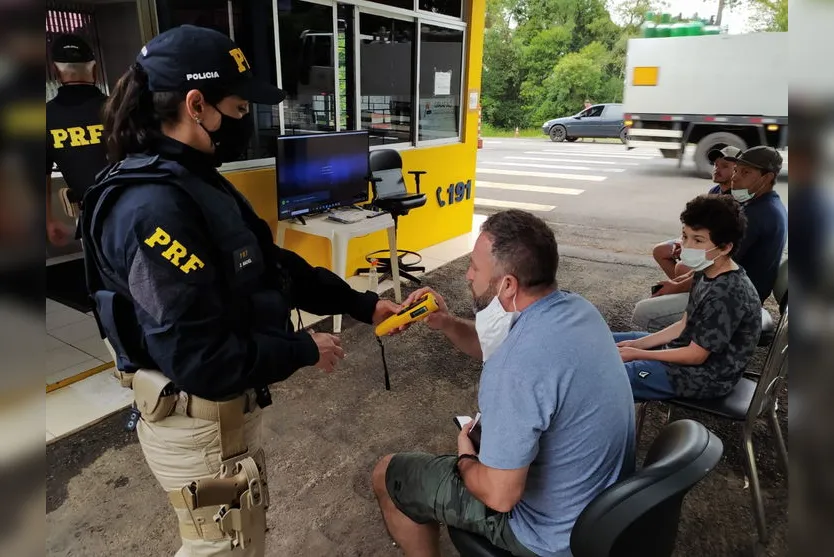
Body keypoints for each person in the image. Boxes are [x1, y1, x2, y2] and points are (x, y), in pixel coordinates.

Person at [80, 25, 400, 557]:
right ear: (196, 105)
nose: (245, 121)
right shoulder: (152, 209)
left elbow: (271, 266)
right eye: (238, 107)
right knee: (220, 547)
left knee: (240, 538)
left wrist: (363, 304)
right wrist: (301, 349)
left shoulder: (193, 180)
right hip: (197, 426)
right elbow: (200, 359)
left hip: (221, 417)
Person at [371, 210, 636, 557]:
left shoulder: (514, 366)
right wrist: (446, 322)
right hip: (601, 511)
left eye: (474, 267)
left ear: (507, 285)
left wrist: (466, 459)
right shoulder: (577, 310)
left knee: (387, 474)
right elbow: (496, 342)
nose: (467, 275)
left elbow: (500, 495)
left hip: (547, 535)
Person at [615, 194, 761, 400]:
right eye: (685, 236)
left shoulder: (728, 293)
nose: (687, 246)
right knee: (601, 340)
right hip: (682, 348)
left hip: (704, 377)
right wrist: (637, 345)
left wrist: (638, 353)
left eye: (698, 240)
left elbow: (696, 356)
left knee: (608, 373)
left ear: (725, 247)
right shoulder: (706, 269)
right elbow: (683, 324)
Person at [635, 145, 786, 331]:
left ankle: (684, 342)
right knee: (670, 285)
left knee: (645, 313)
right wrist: (677, 283)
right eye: (736, 170)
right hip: (729, 287)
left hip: (734, 298)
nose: (735, 177)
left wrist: (676, 287)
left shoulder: (759, 214)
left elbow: (717, 265)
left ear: (767, 177)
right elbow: (715, 261)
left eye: (745, 172)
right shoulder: (761, 204)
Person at [46, 34, 109, 246]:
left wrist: (48, 220)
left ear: (55, 72)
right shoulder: (119, 109)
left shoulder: (45, 117)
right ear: (95, 70)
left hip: (93, 220)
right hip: (140, 209)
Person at [651, 145, 741, 284]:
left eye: (724, 166)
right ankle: (685, 288)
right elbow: (699, 224)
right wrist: (684, 242)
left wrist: (690, 247)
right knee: (660, 251)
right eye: (716, 165)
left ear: (737, 170)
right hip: (700, 238)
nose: (717, 169)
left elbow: (722, 238)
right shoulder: (714, 191)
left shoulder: (737, 198)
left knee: (682, 267)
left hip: (714, 245)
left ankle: (688, 288)